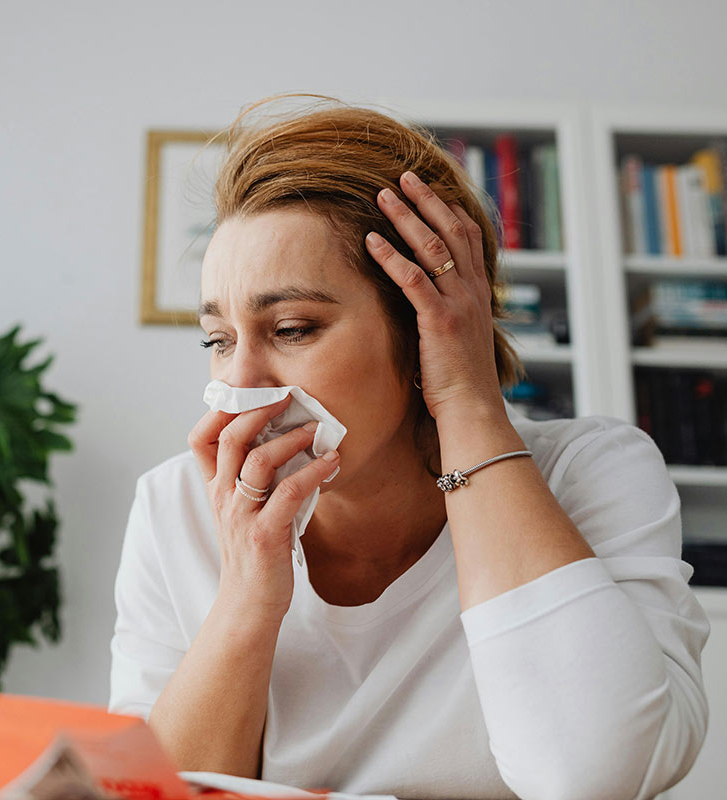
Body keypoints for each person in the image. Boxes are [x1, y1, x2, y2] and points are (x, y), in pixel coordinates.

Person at [109, 97, 709, 800]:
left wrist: (468, 399)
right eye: (219, 340)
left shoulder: (590, 474)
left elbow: (596, 776)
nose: (239, 384)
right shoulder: (174, 504)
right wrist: (247, 588)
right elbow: (152, 793)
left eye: (294, 328)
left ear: (426, 327)